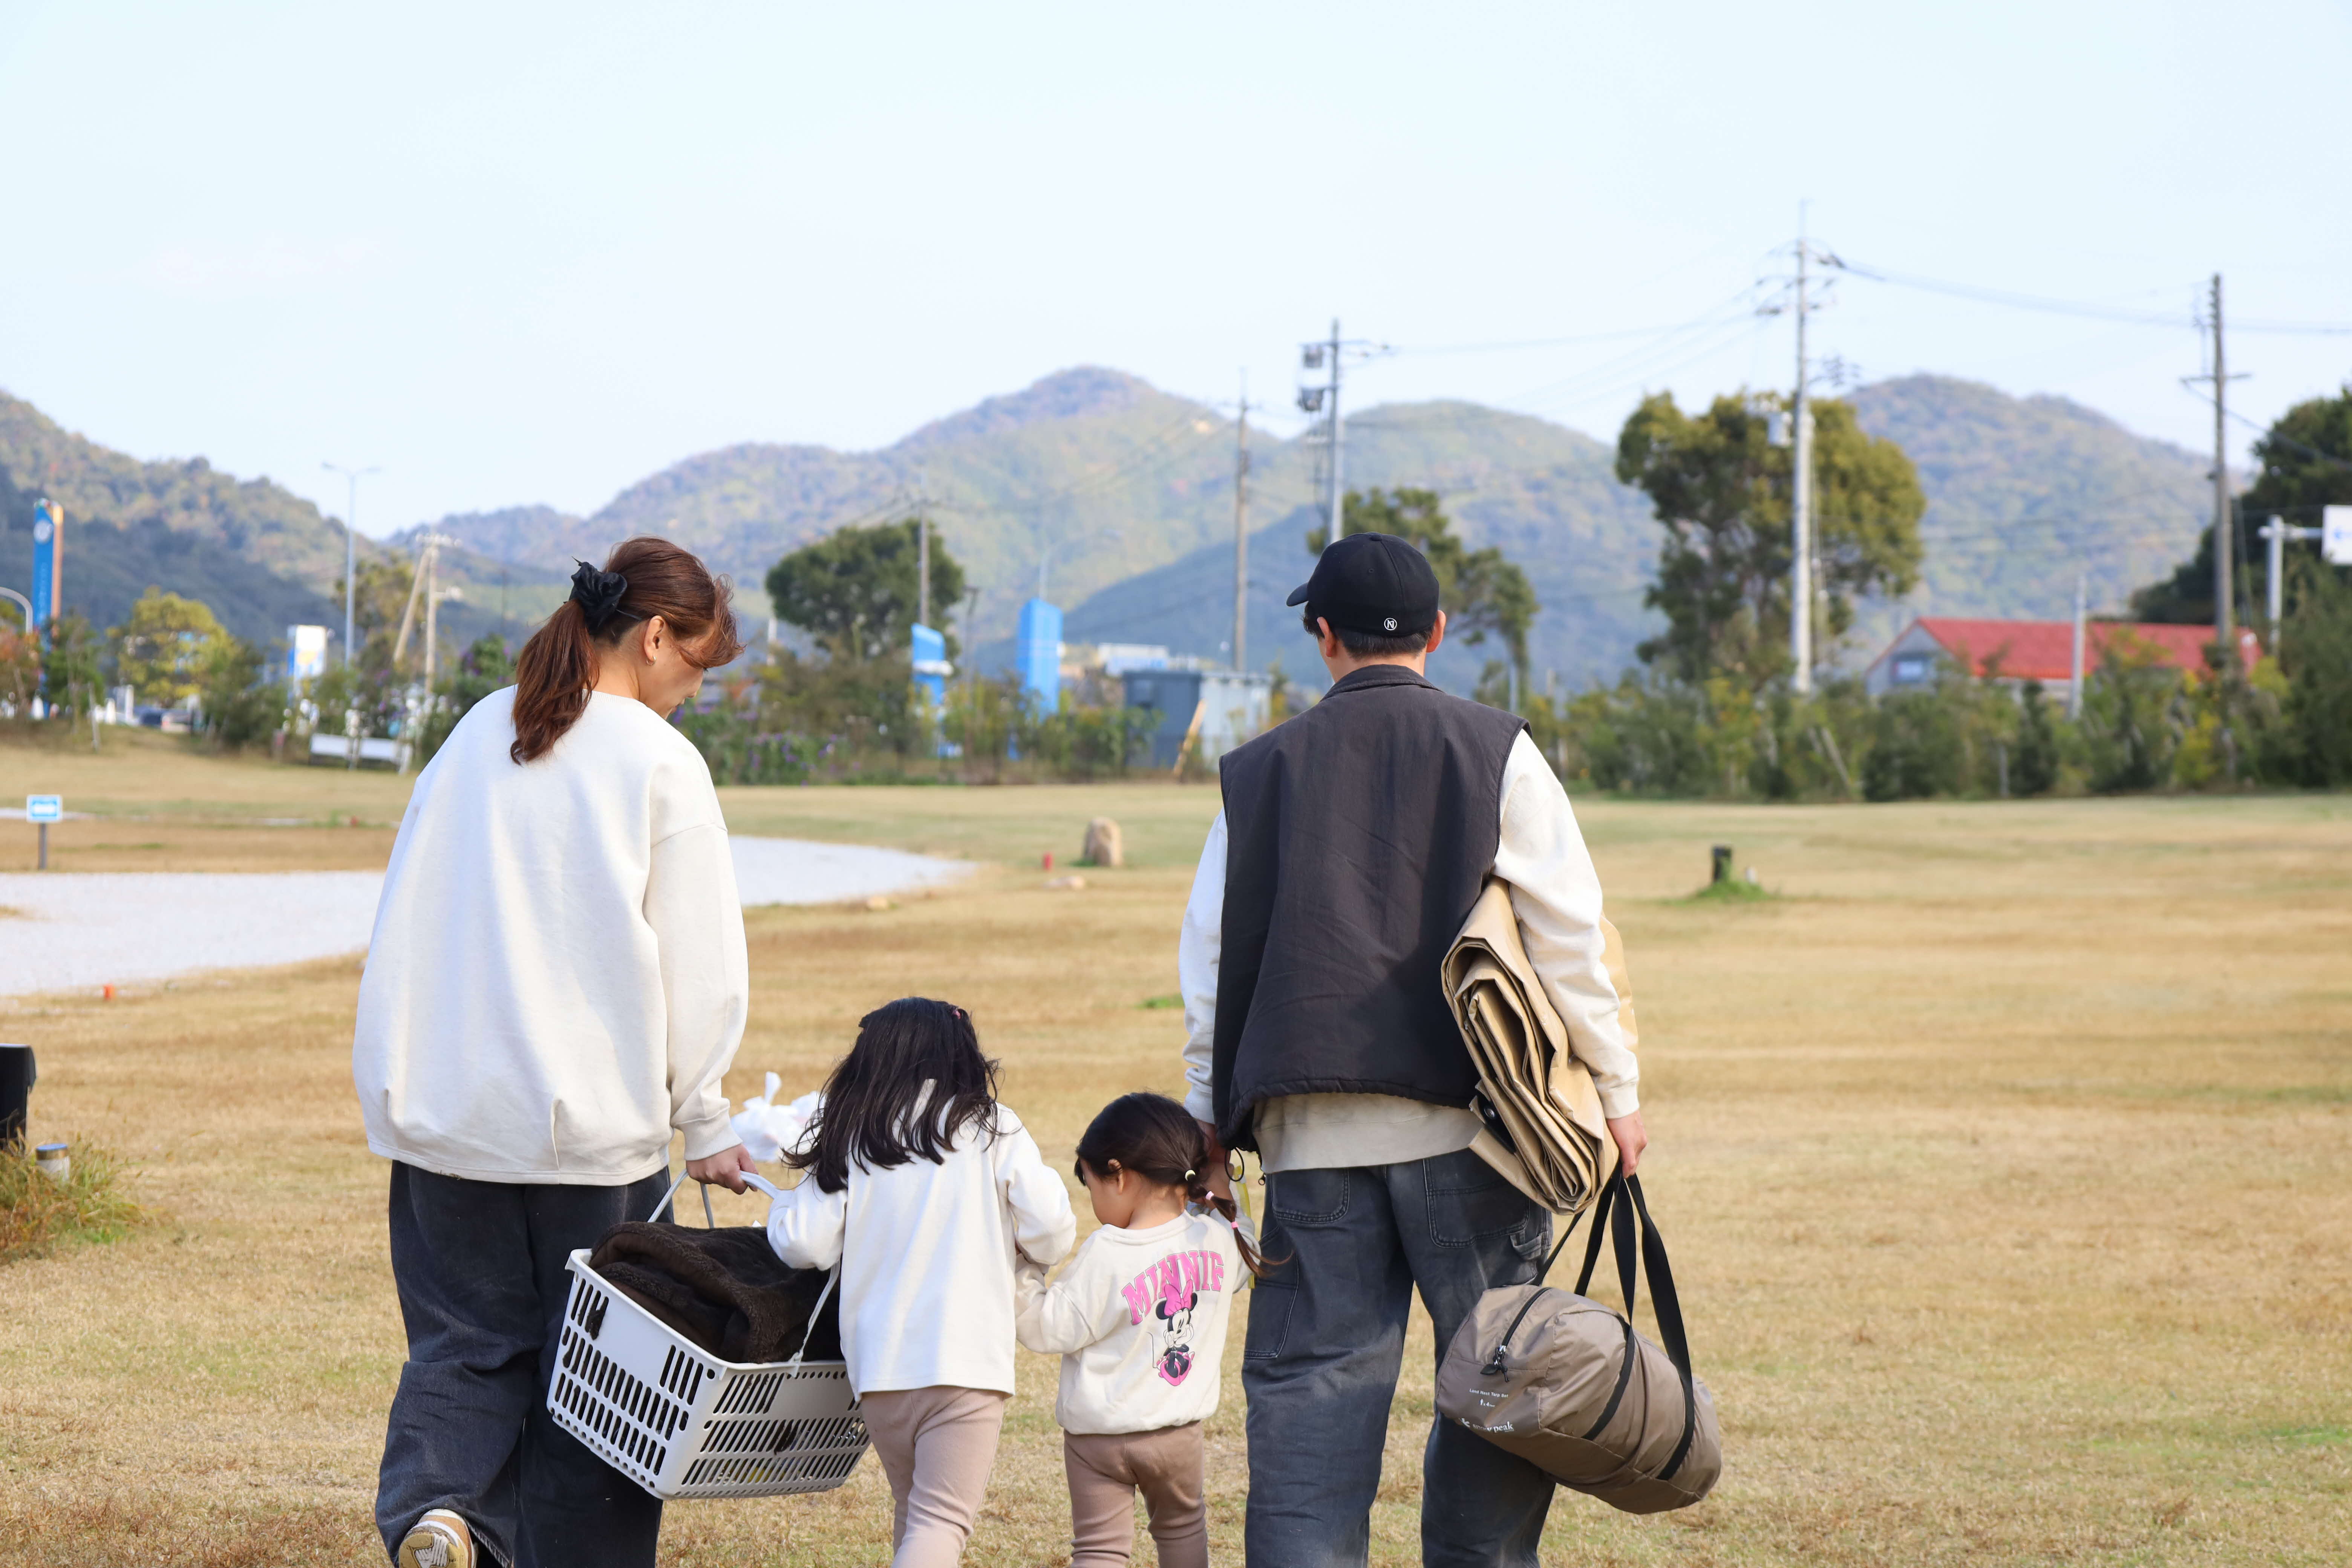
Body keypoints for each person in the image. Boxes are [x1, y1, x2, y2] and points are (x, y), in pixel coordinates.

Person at [1177, 531, 1646, 1568]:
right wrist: (1617, 1091)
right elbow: (1572, 935)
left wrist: (1209, 1122)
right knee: (1499, 1382)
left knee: (1310, 1397)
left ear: (1322, 635)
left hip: (1308, 1139)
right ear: (1437, 633)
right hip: (1474, 1133)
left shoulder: (1259, 773)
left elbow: (1211, 964)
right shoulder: (1497, 749)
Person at [353, 538, 757, 1568]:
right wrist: (704, 1116)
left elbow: (406, 917)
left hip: (448, 1127)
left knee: (462, 1353)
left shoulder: (478, 732)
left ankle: (442, 1515)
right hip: (597, 1142)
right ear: (657, 636)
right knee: (602, 1388)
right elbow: (698, 967)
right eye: (697, 666)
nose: (694, 693)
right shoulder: (661, 764)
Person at [766, 997, 1077, 1568]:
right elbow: (1054, 1231)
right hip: (964, 1363)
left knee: (916, 1515)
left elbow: (804, 1243)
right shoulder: (991, 1128)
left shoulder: (856, 1136)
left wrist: (781, 1207)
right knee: (941, 1523)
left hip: (880, 1371)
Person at [1015, 1092, 1267, 1568]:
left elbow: (1048, 1328)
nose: (1093, 1202)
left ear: (1120, 1174)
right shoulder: (1217, 1239)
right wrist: (1218, 1179)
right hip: (1176, 1434)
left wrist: (1021, 1272)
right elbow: (1246, 1234)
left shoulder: (1108, 1251)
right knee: (1182, 1531)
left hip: (1098, 1438)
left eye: (1091, 1185)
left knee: (1098, 1548)